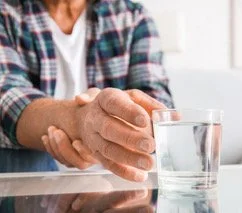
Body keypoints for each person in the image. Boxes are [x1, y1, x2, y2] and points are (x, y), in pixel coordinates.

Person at [0, 0, 174, 181]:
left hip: (119, 188)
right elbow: (6, 97)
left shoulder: (133, 17)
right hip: (29, 190)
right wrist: (80, 122)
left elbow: (159, 108)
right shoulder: (5, 13)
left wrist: (118, 119)